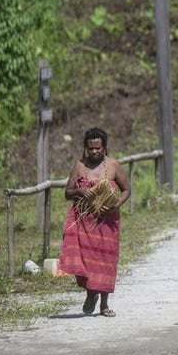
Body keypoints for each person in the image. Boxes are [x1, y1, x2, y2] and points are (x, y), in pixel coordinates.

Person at [59, 127, 131, 318]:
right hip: (83, 221)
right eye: (90, 148)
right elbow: (67, 192)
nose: (94, 152)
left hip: (107, 221)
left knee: (106, 261)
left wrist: (116, 204)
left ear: (104, 147)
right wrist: (79, 192)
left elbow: (126, 190)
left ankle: (104, 304)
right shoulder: (79, 166)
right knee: (85, 260)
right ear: (85, 148)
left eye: (98, 148)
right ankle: (91, 293)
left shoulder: (114, 165)